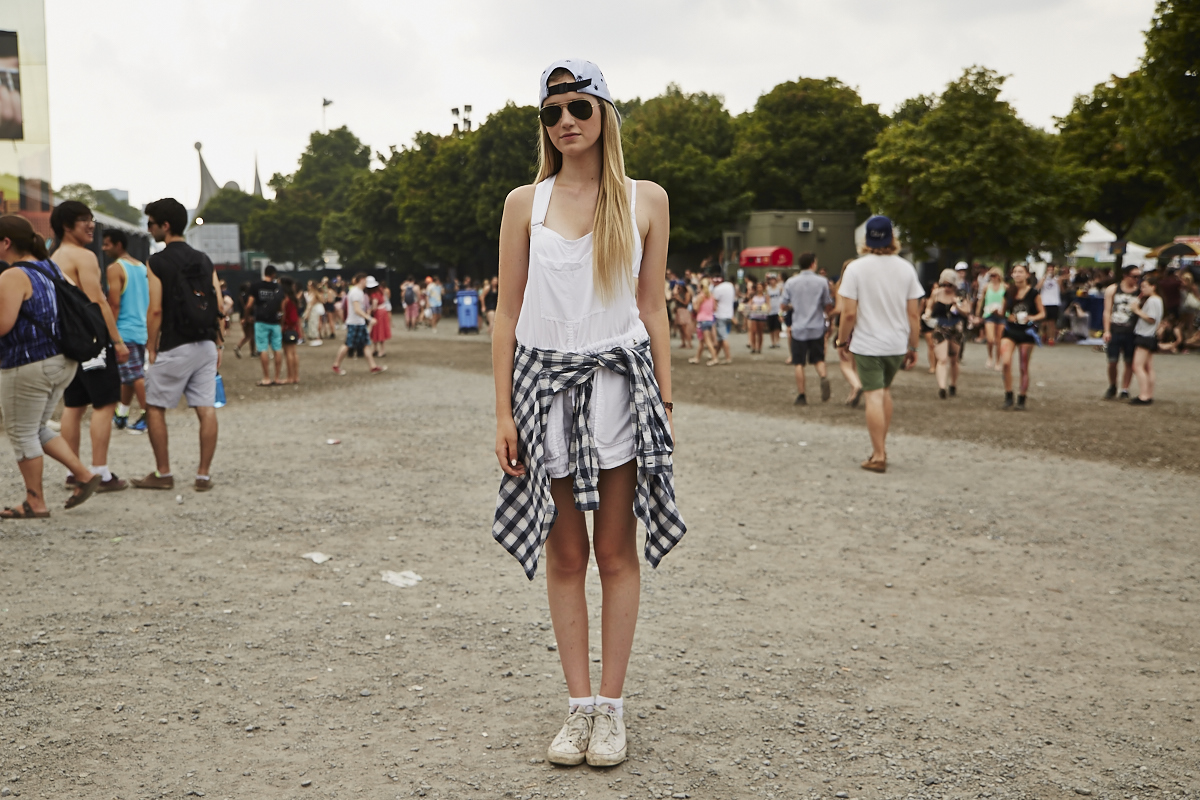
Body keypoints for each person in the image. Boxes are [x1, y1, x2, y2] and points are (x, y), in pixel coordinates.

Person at [492, 59, 684, 769]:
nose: (566, 121)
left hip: (620, 390)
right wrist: (504, 411)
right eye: (552, 112)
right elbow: (506, 312)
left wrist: (665, 399)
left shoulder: (644, 200)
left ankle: (612, 708)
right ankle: (577, 707)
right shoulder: (525, 203)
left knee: (616, 553)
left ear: (605, 113)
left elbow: (652, 306)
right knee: (565, 554)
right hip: (546, 390)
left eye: (579, 106)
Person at [0, 214, 102, 516]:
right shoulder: (50, 267)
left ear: (6, 243)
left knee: (21, 433)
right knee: (37, 428)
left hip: (27, 363)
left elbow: (4, 324)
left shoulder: (13, 275)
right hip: (61, 360)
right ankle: (84, 474)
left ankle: (35, 502)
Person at [131, 197, 224, 493]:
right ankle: (203, 476)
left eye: (151, 224)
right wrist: (219, 344)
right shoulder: (204, 259)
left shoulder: (157, 261)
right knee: (206, 408)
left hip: (175, 344)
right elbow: (219, 305)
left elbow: (156, 309)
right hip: (206, 343)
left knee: (155, 407)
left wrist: (151, 346)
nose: (149, 229)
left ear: (165, 225)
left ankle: (164, 473)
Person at [835, 215, 923, 473]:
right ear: (892, 238)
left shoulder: (855, 269)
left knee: (873, 394)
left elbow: (848, 314)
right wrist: (914, 347)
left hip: (868, 342)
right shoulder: (906, 268)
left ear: (866, 239)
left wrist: (842, 340)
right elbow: (913, 314)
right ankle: (880, 448)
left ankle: (879, 455)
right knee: (884, 391)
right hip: (896, 343)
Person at [52, 201, 129, 493]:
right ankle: (100, 472)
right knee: (105, 403)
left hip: (67, 342)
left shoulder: (54, 257)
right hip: (92, 340)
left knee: (73, 405)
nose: (91, 225)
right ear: (66, 226)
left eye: (91, 219)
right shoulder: (84, 256)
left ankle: (74, 471)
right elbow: (97, 301)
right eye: (83, 220)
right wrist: (117, 341)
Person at [102, 228, 150, 434]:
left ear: (118, 245)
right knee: (129, 374)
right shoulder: (141, 267)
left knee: (135, 374)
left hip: (123, 330)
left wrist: (109, 331)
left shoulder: (115, 269)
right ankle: (122, 413)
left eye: (107, 244)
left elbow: (114, 304)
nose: (103, 248)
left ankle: (148, 414)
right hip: (141, 329)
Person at [780, 252, 833, 405]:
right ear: (813, 264)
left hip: (799, 327)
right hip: (816, 325)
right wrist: (828, 318)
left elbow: (783, 305)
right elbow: (827, 303)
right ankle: (823, 376)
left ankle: (802, 395)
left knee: (798, 362)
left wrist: (792, 307)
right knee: (818, 359)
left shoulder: (791, 282)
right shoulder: (822, 281)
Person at [999, 263, 1044, 411]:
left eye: (1020, 272)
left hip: (1027, 332)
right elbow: (1002, 312)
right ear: (1012, 275)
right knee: (1006, 362)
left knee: (1023, 366)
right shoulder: (1009, 292)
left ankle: (1022, 398)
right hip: (1011, 330)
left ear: (1027, 275)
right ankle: (1008, 394)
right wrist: (1006, 315)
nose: (1018, 274)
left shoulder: (1033, 293)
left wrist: (1031, 317)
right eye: (1015, 272)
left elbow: (1042, 313)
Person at [925, 269, 971, 399]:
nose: (946, 288)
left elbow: (967, 311)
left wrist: (957, 304)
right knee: (942, 358)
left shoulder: (961, 294)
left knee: (954, 358)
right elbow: (929, 306)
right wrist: (927, 314)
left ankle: (953, 384)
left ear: (954, 284)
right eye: (944, 284)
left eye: (949, 285)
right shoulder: (936, 293)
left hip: (956, 326)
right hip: (941, 326)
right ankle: (942, 387)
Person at [332, 273, 385, 375]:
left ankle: (373, 366)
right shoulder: (356, 292)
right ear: (361, 280)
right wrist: (369, 318)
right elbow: (357, 310)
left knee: (366, 345)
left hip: (359, 323)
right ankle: (336, 365)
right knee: (348, 344)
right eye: (365, 281)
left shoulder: (358, 292)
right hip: (355, 323)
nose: (366, 283)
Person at [1103, 265, 1141, 400]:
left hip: (1131, 330)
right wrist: (1106, 330)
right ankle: (1112, 385)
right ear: (1126, 276)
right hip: (1115, 328)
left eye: (1139, 276)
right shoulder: (1113, 289)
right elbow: (1107, 311)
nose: (1137, 279)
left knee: (1129, 361)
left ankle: (1125, 389)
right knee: (1112, 361)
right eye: (1134, 276)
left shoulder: (1139, 291)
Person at [831, 260, 863, 406]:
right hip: (862, 326)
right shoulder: (863, 285)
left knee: (845, 363)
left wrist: (830, 316)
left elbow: (840, 309)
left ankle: (856, 386)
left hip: (847, 326)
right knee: (854, 363)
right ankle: (852, 394)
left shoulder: (841, 286)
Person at [247, 265, 285, 386]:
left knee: (263, 348)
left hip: (261, 320)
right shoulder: (278, 288)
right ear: (274, 274)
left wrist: (247, 316)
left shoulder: (256, 286)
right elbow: (282, 307)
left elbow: (249, 304)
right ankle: (277, 377)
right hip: (275, 321)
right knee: (277, 348)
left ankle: (266, 377)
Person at [1130, 273, 1162, 406]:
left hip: (1145, 335)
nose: (1142, 289)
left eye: (1145, 286)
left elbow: (1151, 318)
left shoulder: (1153, 300)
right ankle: (1149, 393)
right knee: (1148, 367)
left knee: (1137, 366)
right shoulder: (1157, 300)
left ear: (1153, 287)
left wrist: (1137, 310)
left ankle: (1144, 395)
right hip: (1150, 335)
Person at [975, 268, 1007, 371]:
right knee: (990, 339)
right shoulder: (986, 287)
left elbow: (1007, 300)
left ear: (999, 276)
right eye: (991, 275)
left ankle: (998, 360)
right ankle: (990, 356)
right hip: (989, 314)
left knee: (999, 340)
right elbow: (981, 300)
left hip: (1001, 314)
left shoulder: (1005, 287)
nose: (993, 277)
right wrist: (977, 313)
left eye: (994, 275)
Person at [687, 277, 718, 365]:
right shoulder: (711, 296)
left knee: (707, 341)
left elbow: (696, 309)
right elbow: (715, 308)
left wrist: (694, 303)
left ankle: (715, 358)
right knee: (702, 341)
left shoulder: (701, 296)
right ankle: (697, 358)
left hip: (702, 320)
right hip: (710, 319)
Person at [710, 271, 736, 365]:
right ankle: (715, 355)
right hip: (729, 314)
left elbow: (714, 303)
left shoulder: (717, 289)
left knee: (723, 337)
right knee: (721, 338)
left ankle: (728, 357)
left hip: (720, 315)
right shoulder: (730, 286)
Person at [280, 277, 301, 384]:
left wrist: (280, 326)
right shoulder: (294, 299)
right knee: (294, 353)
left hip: (287, 328)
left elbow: (283, 315)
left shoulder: (285, 299)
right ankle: (296, 376)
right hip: (294, 328)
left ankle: (289, 377)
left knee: (288, 353)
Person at [1038, 264, 1062, 345]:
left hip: (1054, 302)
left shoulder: (1057, 279)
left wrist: (1060, 282)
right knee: (1043, 322)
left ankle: (1051, 338)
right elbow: (1037, 287)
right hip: (1044, 302)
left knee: (1052, 322)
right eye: (1049, 270)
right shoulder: (1042, 279)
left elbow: (1062, 290)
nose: (1051, 272)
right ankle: (1044, 335)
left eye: (1052, 270)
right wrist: (1044, 278)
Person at [369, 277, 392, 356]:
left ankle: (379, 350)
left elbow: (374, 306)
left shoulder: (374, 294)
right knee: (379, 331)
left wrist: (369, 311)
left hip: (378, 313)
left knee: (377, 331)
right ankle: (379, 349)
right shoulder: (381, 291)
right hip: (383, 311)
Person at [746, 279, 769, 354]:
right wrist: (751, 306)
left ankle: (759, 347)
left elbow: (768, 305)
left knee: (760, 332)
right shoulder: (753, 296)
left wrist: (764, 308)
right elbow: (749, 304)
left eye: (760, 287)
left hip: (762, 315)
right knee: (753, 331)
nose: (759, 288)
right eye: (758, 287)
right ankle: (753, 347)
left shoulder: (765, 296)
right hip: (754, 315)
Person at [671, 278, 694, 350]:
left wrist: (678, 299)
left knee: (685, 329)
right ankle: (683, 342)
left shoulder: (687, 294)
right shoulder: (678, 293)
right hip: (678, 311)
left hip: (684, 311)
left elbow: (686, 303)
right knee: (680, 328)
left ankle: (689, 343)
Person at [765, 273, 784, 349]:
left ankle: (777, 341)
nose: (772, 281)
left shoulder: (779, 288)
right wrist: (768, 306)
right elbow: (767, 299)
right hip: (771, 311)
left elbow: (783, 297)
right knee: (771, 327)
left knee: (777, 327)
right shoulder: (768, 289)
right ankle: (772, 342)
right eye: (771, 280)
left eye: (773, 279)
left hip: (778, 310)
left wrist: (782, 309)